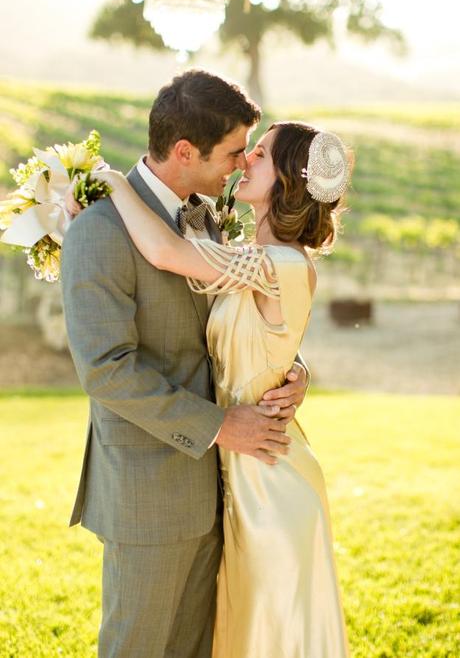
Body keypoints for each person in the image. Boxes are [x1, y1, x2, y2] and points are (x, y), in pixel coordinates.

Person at [67, 117, 352, 657]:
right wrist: (297, 373)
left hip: (270, 481)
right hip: (231, 478)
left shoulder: (277, 265)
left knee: (269, 637)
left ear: (288, 180)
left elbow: (166, 253)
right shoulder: (245, 254)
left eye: (261, 155)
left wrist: (114, 184)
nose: (246, 161)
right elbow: (255, 339)